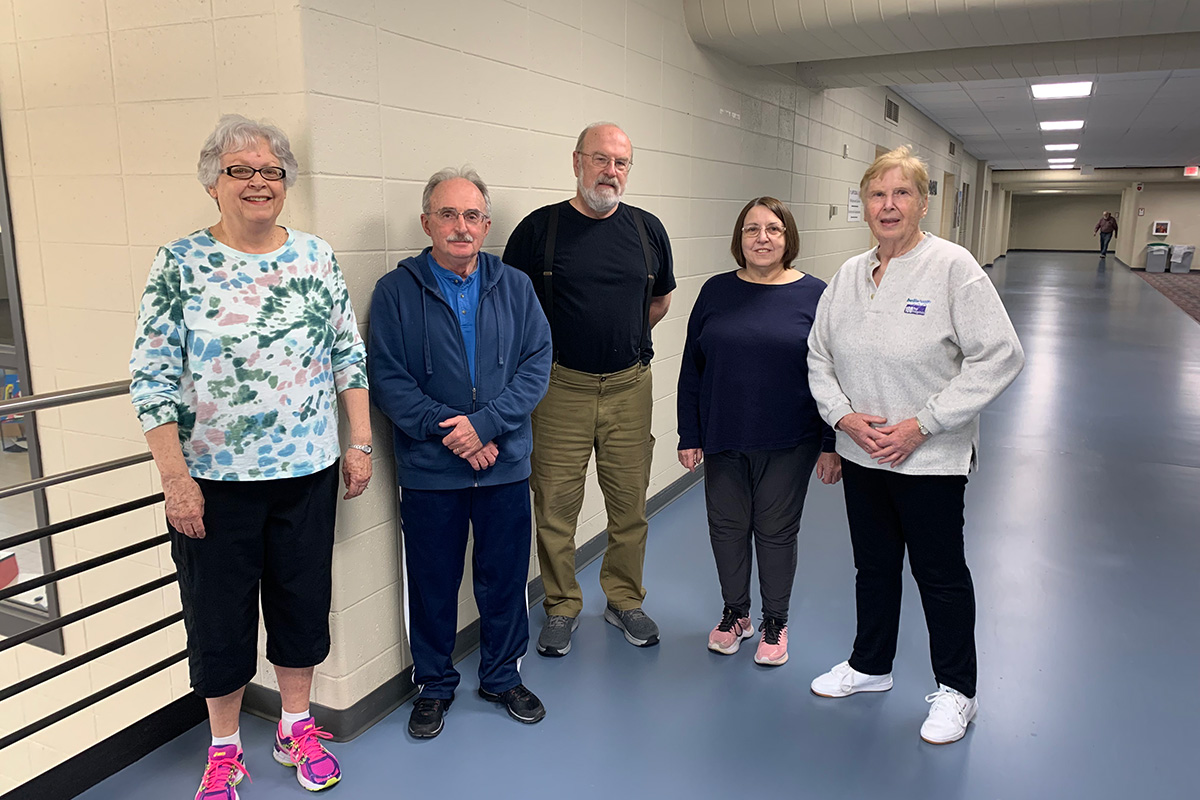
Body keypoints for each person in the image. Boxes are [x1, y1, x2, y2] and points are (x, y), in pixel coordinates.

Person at [130, 114, 372, 799]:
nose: (259, 182)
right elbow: (150, 377)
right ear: (214, 183)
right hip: (213, 481)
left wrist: (358, 443)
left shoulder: (316, 257)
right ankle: (226, 749)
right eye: (242, 170)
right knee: (218, 616)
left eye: (271, 171)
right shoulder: (179, 264)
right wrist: (174, 479)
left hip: (307, 472)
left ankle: (297, 726)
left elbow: (346, 354)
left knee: (302, 605)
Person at [806, 146, 1024, 745]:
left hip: (929, 456)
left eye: (902, 194)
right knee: (872, 566)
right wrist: (844, 419)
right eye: (877, 195)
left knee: (939, 573)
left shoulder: (954, 268)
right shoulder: (849, 275)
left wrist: (921, 424)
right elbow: (818, 357)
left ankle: (958, 691)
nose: (889, 205)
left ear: (924, 203)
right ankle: (871, 666)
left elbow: (1001, 355)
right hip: (862, 453)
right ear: (864, 206)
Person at [369, 168, 552, 740]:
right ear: (426, 222)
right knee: (432, 582)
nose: (460, 226)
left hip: (503, 462)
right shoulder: (396, 291)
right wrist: (453, 433)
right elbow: (388, 377)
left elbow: (536, 365)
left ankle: (501, 676)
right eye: (447, 214)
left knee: (504, 579)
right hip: (431, 471)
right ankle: (434, 685)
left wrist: (487, 426)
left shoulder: (516, 286)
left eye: (472, 216)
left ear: (487, 225)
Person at [503, 122, 675, 657]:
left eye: (621, 162)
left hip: (630, 385)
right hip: (559, 388)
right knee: (555, 506)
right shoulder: (539, 230)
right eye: (600, 159)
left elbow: (659, 302)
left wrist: (616, 341)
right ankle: (561, 605)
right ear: (576, 162)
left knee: (630, 506)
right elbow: (513, 309)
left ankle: (624, 599)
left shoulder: (648, 230)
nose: (611, 171)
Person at [677, 197, 842, 667]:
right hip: (725, 435)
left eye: (773, 229)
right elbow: (692, 367)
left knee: (775, 531)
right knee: (727, 529)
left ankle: (775, 620)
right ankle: (736, 614)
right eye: (752, 230)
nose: (762, 238)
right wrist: (690, 434)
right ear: (739, 239)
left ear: (787, 237)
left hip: (791, 438)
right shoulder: (715, 292)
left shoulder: (816, 295)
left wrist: (832, 444)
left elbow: (834, 373)